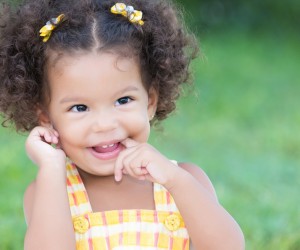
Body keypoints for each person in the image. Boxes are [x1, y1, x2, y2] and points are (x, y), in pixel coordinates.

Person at [0, 0, 244, 249]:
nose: (105, 125)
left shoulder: (185, 180)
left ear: (150, 101)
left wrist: (175, 181)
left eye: (123, 100)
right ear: (46, 116)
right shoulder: (50, 193)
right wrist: (51, 167)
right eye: (80, 108)